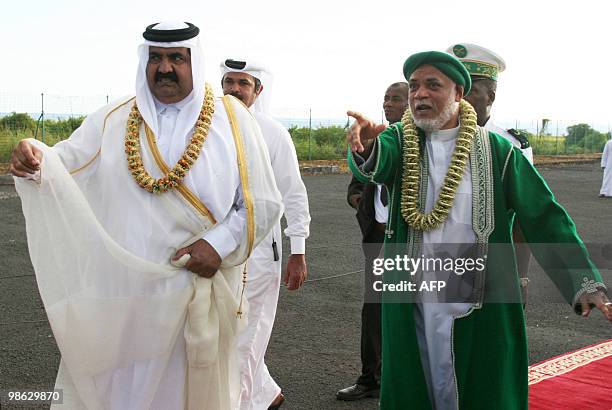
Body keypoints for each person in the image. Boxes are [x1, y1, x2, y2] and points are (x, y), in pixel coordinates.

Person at [10, 22, 283, 410]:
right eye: (155, 58)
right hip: (127, 302)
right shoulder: (114, 119)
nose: (165, 68)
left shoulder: (233, 121)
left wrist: (218, 245)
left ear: (196, 61)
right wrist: (33, 156)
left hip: (194, 294)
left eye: (176, 58)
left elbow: (262, 202)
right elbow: (62, 165)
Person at [346, 50, 612, 409]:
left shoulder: (500, 151)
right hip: (412, 288)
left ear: (458, 93)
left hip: (480, 290)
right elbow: (375, 166)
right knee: (415, 379)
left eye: (432, 85)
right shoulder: (399, 139)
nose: (419, 94)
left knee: (483, 383)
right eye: (414, 86)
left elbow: (544, 215)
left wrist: (584, 280)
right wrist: (368, 146)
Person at [220, 58, 311, 410]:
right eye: (229, 81)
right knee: (225, 336)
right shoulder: (208, 127)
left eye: (244, 83)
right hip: (218, 251)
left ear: (258, 91)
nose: (235, 89)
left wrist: (298, 251)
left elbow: (293, 193)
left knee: (247, 334)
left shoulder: (273, 132)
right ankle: (265, 392)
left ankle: (242, 404)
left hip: (260, 254)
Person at [446, 43, 532, 303]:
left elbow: (524, 218)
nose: (457, 99)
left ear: (490, 97)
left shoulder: (512, 146)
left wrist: (521, 276)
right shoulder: (427, 140)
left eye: (468, 91)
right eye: (452, 89)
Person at [339, 82, 409, 401]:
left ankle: (404, 381)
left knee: (409, 311)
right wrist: (359, 202)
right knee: (373, 311)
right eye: (386, 98)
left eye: (396, 98)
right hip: (377, 240)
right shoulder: (375, 139)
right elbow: (358, 181)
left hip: (409, 243)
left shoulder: (420, 144)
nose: (388, 103)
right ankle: (370, 379)